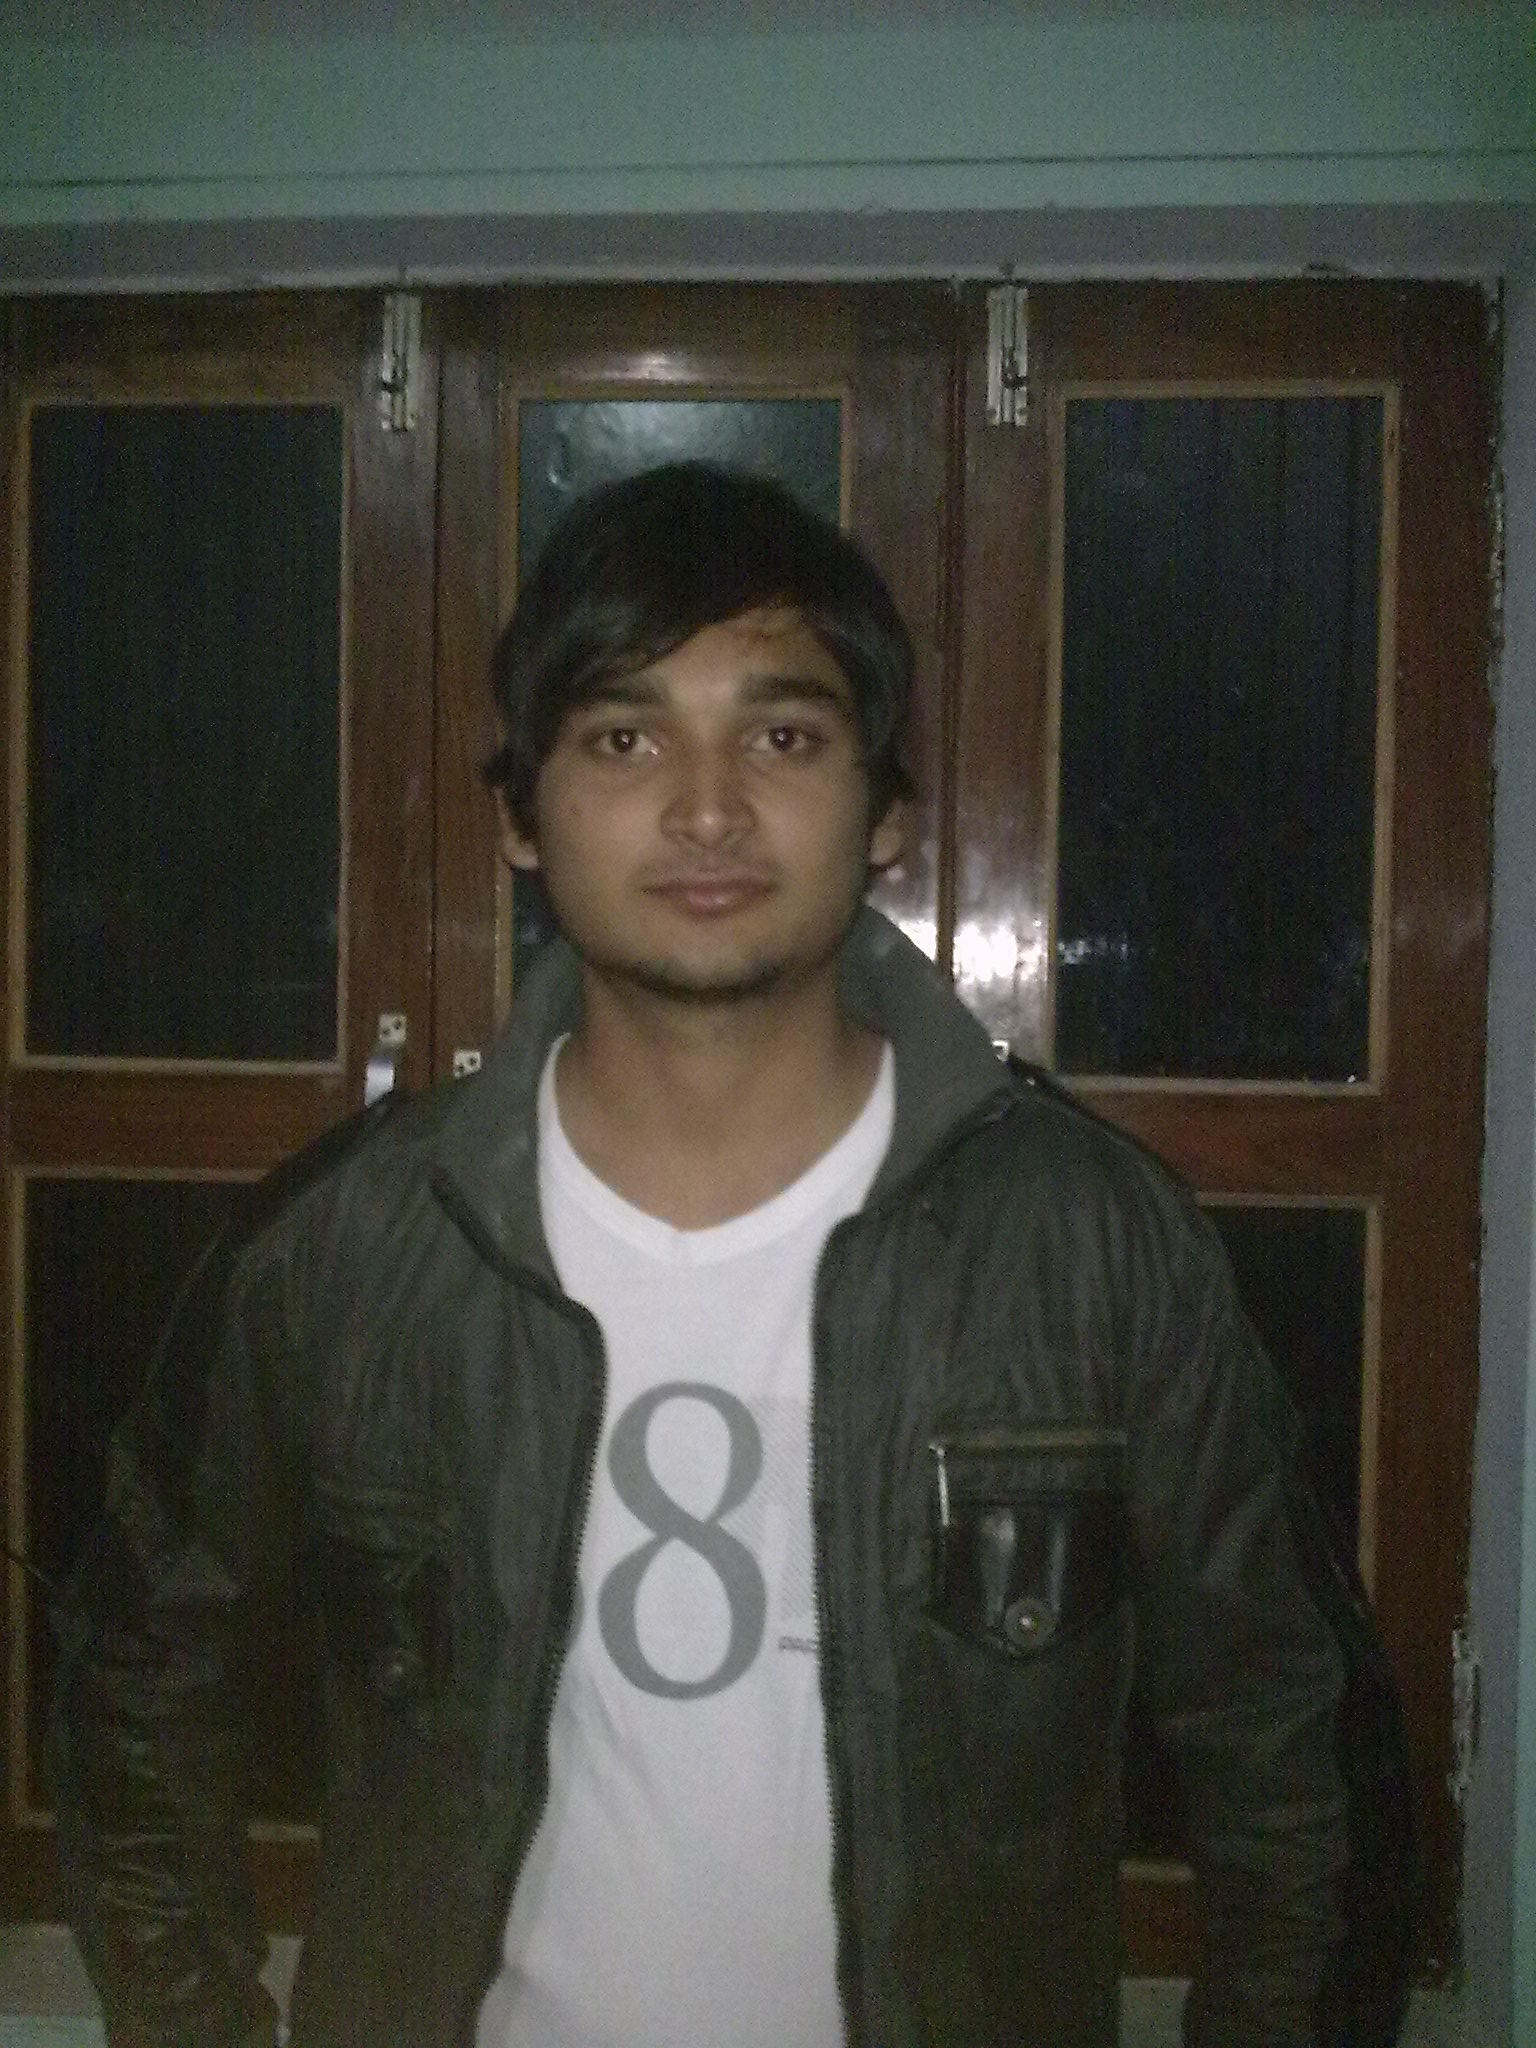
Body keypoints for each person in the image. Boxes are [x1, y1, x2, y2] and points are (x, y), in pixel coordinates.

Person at [49, 462, 1413, 2048]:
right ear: (521, 815)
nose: (708, 809)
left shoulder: (1090, 1242)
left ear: (886, 811)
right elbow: (141, 1684)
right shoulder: (348, 1249)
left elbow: (1290, 1746)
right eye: (625, 740)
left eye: (784, 738)